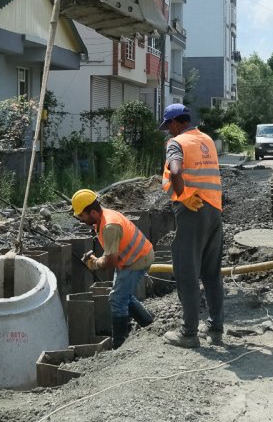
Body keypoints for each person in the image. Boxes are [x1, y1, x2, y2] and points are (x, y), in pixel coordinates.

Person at [158, 103, 225, 348]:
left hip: (192, 210)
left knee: (187, 273)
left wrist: (183, 194)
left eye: (168, 126)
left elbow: (175, 171)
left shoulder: (177, 143)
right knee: (211, 273)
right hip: (214, 211)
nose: (168, 131)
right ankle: (216, 329)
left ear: (176, 122)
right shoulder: (206, 139)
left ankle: (189, 333)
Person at [71, 189, 155, 347]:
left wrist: (95, 263)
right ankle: (149, 325)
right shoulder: (103, 217)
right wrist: (99, 260)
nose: (80, 220)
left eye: (82, 216)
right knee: (123, 296)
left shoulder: (109, 226)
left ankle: (119, 345)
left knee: (117, 300)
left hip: (137, 260)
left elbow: (110, 262)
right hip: (130, 258)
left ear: (93, 212)